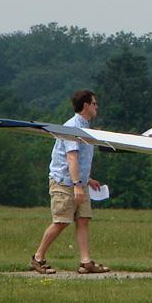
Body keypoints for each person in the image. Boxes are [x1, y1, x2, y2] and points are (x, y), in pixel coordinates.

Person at [29, 90, 111, 275]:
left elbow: (81, 159)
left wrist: (87, 180)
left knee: (83, 220)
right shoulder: (72, 127)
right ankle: (38, 258)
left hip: (79, 181)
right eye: (94, 103)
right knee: (61, 221)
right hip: (64, 182)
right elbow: (72, 158)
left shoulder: (85, 127)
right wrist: (76, 185)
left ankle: (85, 262)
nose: (97, 107)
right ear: (86, 106)